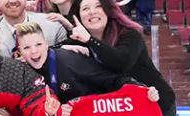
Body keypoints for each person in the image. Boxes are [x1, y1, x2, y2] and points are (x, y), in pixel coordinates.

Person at [67, 0, 176, 116]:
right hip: (122, 110)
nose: (92, 12)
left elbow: (120, 63)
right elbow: (50, 51)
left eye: (98, 6)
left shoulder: (129, 34)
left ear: (108, 10)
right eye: (86, 9)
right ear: (78, 17)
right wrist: (63, 46)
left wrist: (90, 40)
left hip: (156, 104)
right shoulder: (79, 41)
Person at [14, 21, 151, 104]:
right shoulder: (22, 72)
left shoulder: (71, 59)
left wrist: (143, 90)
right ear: (20, 51)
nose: (33, 51)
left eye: (38, 44)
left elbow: (112, 79)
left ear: (46, 44)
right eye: (27, 47)